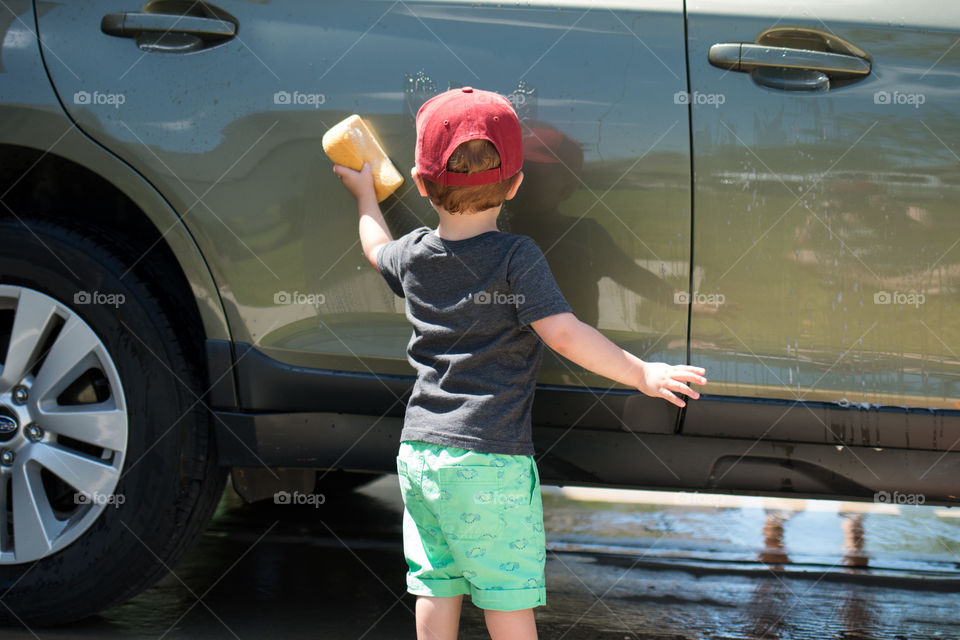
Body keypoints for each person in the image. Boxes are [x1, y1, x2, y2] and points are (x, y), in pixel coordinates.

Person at [332, 87, 707, 640]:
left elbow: (373, 247)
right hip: (489, 462)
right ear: (515, 185)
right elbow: (561, 333)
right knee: (506, 594)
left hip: (420, 454)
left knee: (437, 583)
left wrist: (364, 194)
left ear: (418, 182)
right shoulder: (516, 257)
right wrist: (641, 374)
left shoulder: (411, 252)